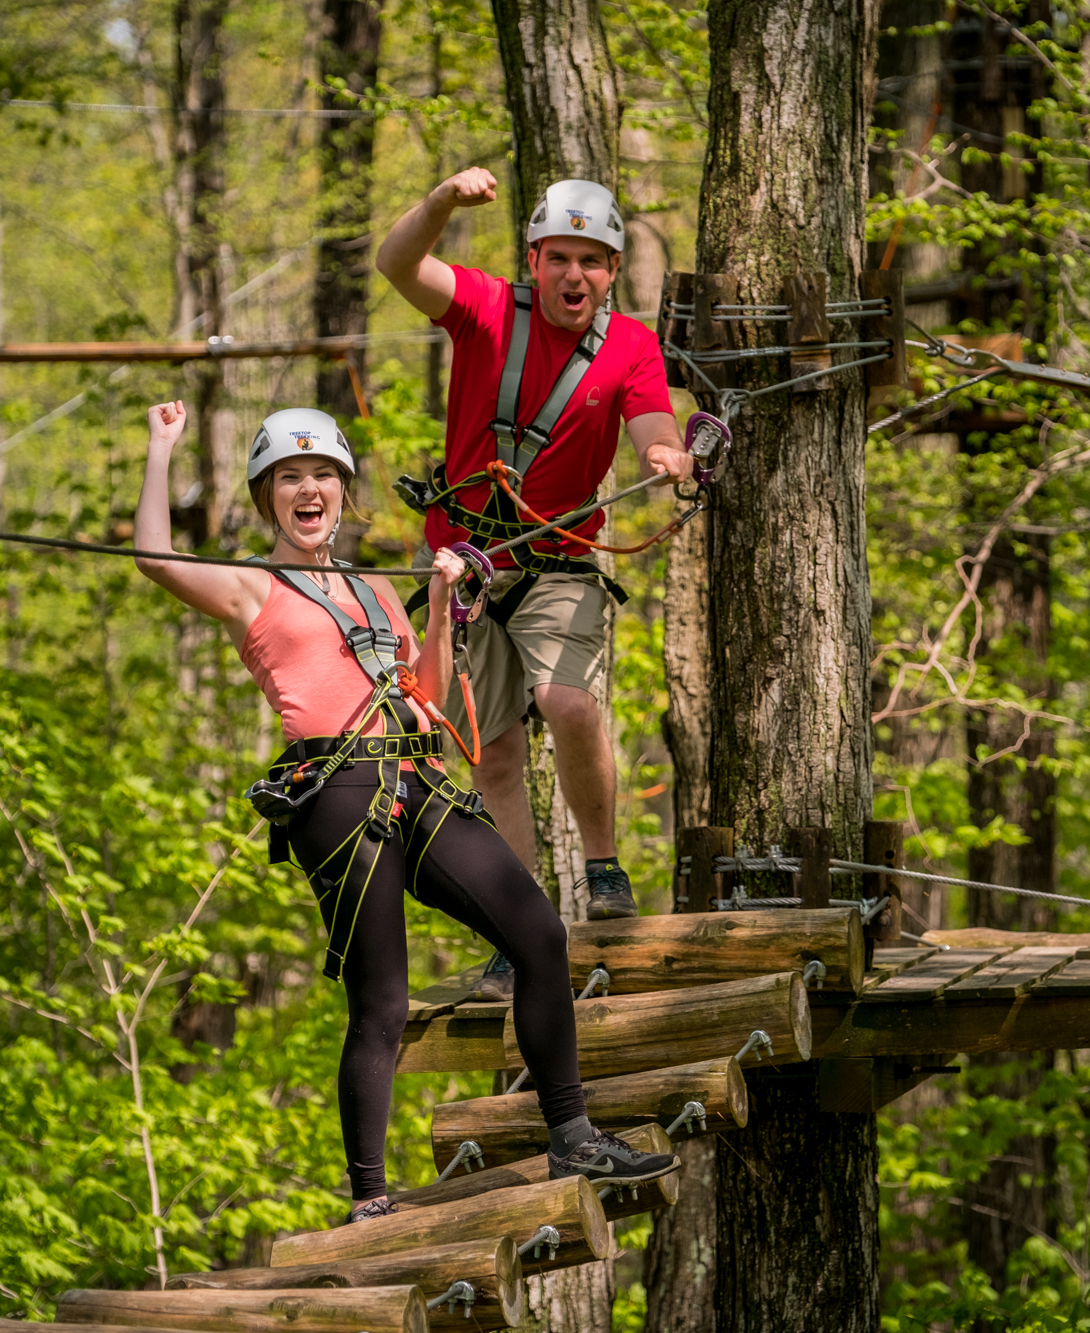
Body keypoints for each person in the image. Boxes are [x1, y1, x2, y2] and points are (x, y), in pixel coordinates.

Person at [132, 400, 677, 1221]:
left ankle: (573, 1133)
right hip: (335, 790)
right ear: (267, 495)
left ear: (343, 493)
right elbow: (154, 558)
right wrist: (160, 447)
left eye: (322, 476)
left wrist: (443, 606)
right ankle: (370, 1198)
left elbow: (422, 684)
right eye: (290, 478)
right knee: (382, 1001)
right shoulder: (253, 585)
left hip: (416, 775)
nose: (309, 490)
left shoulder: (375, 584)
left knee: (539, 933)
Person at [376, 168, 693, 1002]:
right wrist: (440, 199)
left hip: (558, 559)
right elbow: (397, 264)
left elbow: (652, 419)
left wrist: (664, 455)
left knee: (568, 702)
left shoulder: (630, 344)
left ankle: (603, 867)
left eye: (592, 260)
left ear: (614, 270)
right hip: (467, 562)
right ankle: (522, 926)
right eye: (560, 258)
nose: (574, 276)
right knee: (496, 753)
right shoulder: (486, 307)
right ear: (534, 258)